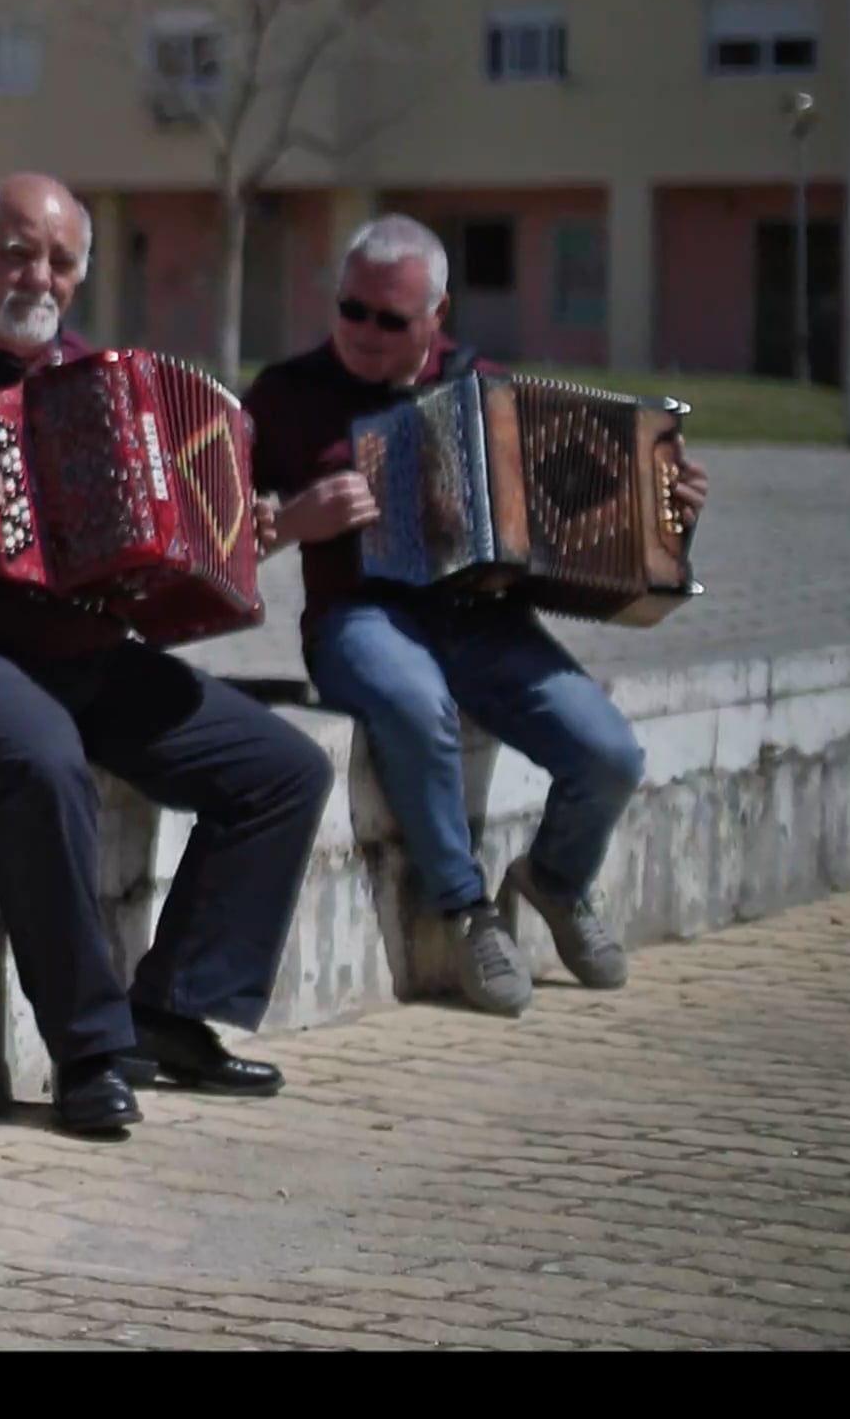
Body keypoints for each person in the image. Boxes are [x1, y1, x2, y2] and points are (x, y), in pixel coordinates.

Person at [0, 173, 336, 1142]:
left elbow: (151, 539)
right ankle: (91, 1052)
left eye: (62, 260)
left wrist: (221, 543)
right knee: (41, 758)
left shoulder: (93, 378)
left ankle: (172, 1009)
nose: (39, 276)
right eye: (17, 252)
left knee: (283, 768)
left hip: (86, 651)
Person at [246, 215, 704, 1014]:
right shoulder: (286, 395)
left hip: (483, 619)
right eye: (351, 308)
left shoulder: (487, 391)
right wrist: (292, 523)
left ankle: (555, 881)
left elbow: (581, 517)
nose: (364, 331)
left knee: (609, 755)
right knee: (414, 703)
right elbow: (222, 536)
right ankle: (464, 910)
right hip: (358, 619)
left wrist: (662, 511)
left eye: (391, 319)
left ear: (438, 315)